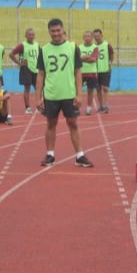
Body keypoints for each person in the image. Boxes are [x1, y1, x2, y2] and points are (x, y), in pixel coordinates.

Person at [36, 18, 93, 168]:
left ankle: (80, 155)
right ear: (49, 32)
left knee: (73, 123)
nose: (55, 33)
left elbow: (78, 71)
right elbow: (41, 74)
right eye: (52, 31)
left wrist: (79, 93)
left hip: (69, 93)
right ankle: (50, 154)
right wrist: (38, 97)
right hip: (51, 94)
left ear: (63, 30)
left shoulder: (73, 47)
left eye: (58, 30)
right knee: (51, 123)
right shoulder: (44, 49)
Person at [9, 27, 42, 114]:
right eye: (29, 35)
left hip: (36, 69)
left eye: (33, 35)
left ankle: (39, 107)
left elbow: (41, 56)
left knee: (38, 88)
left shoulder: (37, 45)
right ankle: (28, 108)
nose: (31, 36)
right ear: (26, 36)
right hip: (26, 68)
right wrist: (19, 62)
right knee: (27, 88)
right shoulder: (22, 45)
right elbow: (11, 54)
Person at [78, 30, 101, 115]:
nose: (87, 38)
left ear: (92, 38)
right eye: (85, 36)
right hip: (81, 72)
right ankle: (77, 106)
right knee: (78, 90)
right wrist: (88, 57)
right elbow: (77, 59)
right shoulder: (79, 47)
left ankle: (88, 108)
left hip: (92, 72)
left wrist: (83, 58)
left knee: (90, 91)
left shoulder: (95, 47)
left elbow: (93, 59)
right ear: (83, 38)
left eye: (88, 36)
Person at [92, 28, 114, 113]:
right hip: (96, 70)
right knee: (98, 89)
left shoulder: (107, 44)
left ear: (101, 35)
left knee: (105, 88)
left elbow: (112, 54)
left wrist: (110, 63)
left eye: (98, 36)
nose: (97, 37)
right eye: (95, 36)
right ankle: (100, 106)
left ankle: (106, 105)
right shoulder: (93, 46)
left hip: (105, 69)